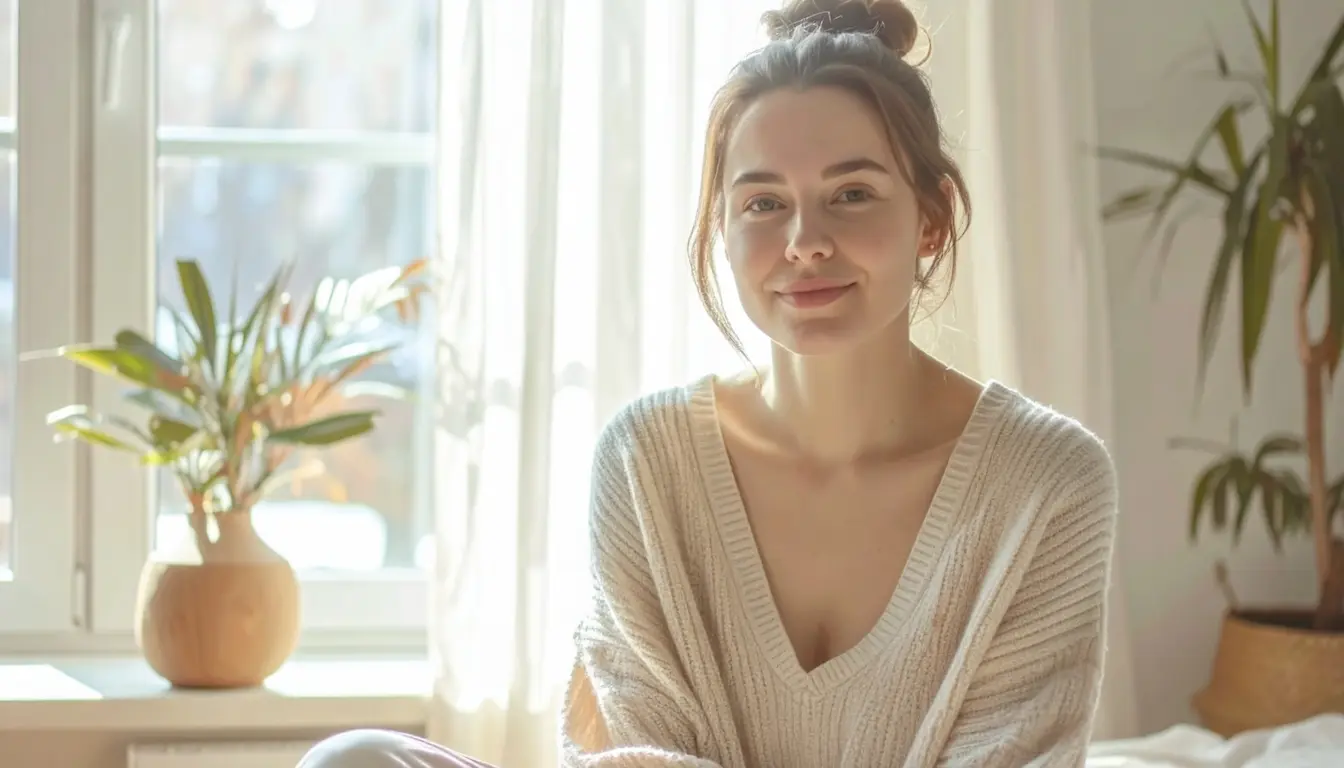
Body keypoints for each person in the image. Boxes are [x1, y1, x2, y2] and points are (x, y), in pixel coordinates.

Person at [298, 0, 1119, 766]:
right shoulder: (644, 462)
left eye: (853, 193)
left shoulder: (1046, 482)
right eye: (763, 204)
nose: (805, 241)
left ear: (931, 219)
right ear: (721, 229)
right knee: (357, 759)